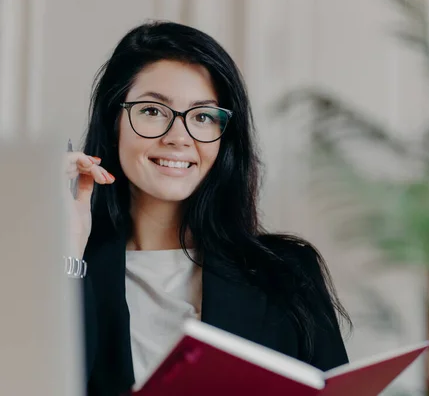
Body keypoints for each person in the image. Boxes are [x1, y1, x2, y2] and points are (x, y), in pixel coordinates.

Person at [63, 21, 351, 395]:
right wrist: (67, 249)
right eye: (152, 111)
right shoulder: (69, 272)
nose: (178, 137)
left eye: (202, 117)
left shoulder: (287, 274)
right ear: (113, 120)